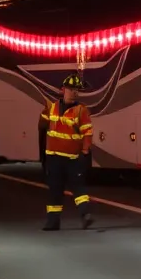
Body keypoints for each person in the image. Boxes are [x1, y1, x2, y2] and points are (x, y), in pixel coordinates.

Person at [38, 73, 94, 231]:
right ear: (63, 90)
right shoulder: (52, 107)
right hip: (53, 158)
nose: (73, 92)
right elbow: (41, 125)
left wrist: (85, 152)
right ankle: (53, 222)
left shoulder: (81, 111)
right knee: (54, 190)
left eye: (76, 90)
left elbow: (87, 133)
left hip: (72, 158)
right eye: (70, 89)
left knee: (78, 188)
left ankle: (85, 215)